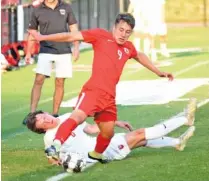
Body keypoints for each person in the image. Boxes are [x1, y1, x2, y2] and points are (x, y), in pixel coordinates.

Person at [28, 13, 174, 163]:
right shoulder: (100, 35)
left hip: (109, 97)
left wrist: (158, 72)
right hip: (93, 91)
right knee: (77, 118)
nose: (123, 34)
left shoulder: (128, 47)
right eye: (120, 29)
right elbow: (70, 36)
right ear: (114, 27)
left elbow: (139, 55)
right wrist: (43, 37)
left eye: (127, 32)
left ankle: (96, 155)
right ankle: (56, 145)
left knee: (108, 133)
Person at [25, 98, 196, 168]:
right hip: (102, 152)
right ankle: (184, 119)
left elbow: (91, 128)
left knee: (141, 141)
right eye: (41, 122)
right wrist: (61, 161)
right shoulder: (49, 138)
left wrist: (115, 123)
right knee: (139, 134)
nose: (45, 119)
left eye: (43, 116)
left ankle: (176, 142)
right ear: (41, 129)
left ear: (46, 113)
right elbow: (50, 158)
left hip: (102, 143)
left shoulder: (68, 116)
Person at [25, 0, 80, 117]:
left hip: (64, 50)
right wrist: (28, 53)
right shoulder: (37, 9)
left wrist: (76, 47)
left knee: (60, 82)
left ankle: (55, 113)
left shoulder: (66, 7)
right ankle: (32, 113)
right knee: (39, 80)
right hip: (46, 49)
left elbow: (73, 29)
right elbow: (32, 32)